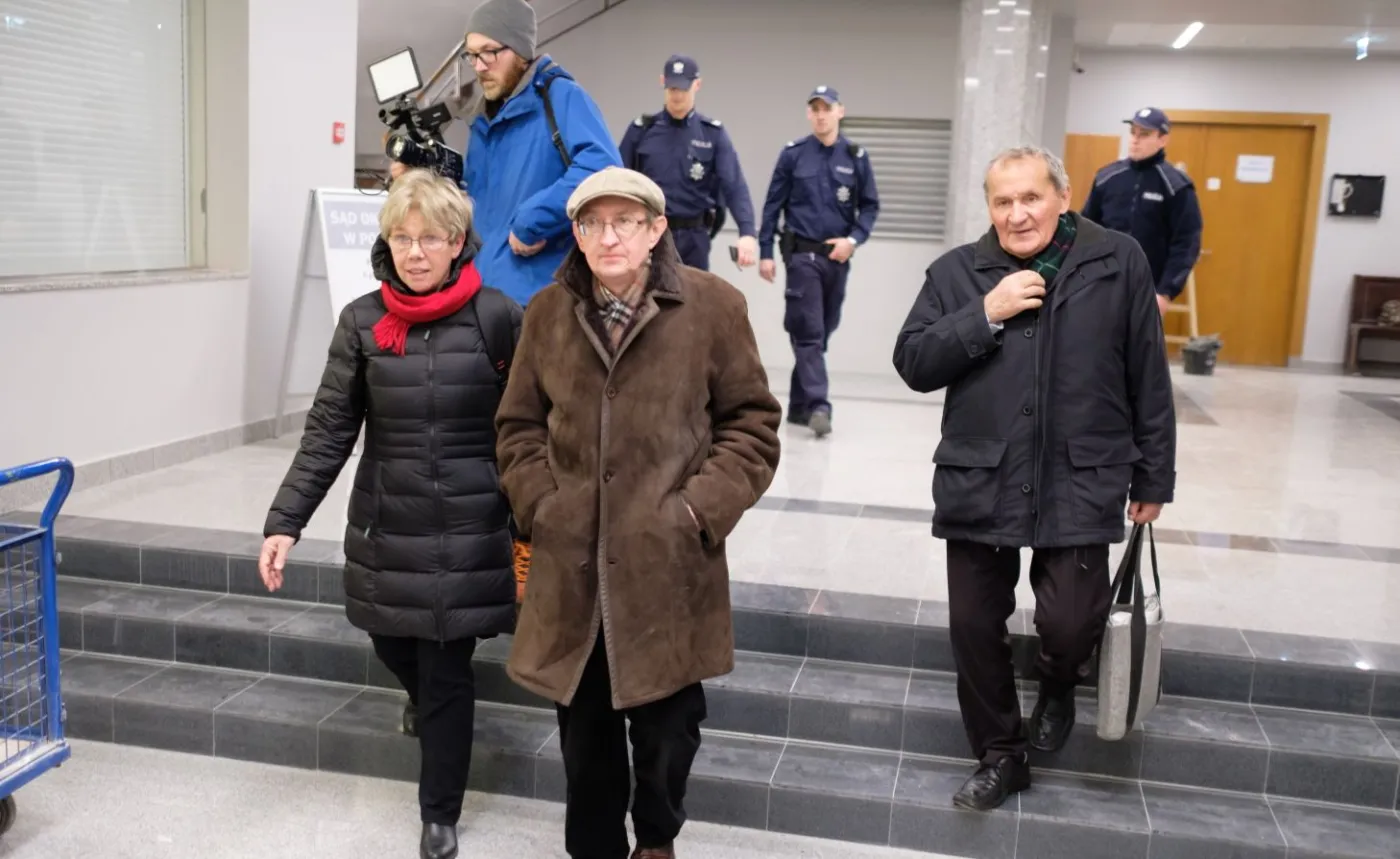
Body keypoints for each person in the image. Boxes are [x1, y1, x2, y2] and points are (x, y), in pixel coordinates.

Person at [494, 167, 781, 859]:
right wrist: (543, 505)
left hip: (666, 565)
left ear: (656, 230)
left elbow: (752, 426)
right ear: (576, 234)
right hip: (575, 565)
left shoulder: (713, 307)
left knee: (669, 732)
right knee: (585, 739)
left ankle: (656, 838)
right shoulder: (547, 313)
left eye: (625, 221)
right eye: (593, 223)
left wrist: (694, 513)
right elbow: (518, 427)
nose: (609, 236)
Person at [892, 146, 1175, 812]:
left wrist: (1154, 475)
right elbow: (914, 361)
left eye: (1030, 198)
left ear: (1063, 196)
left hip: (1082, 472)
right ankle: (1001, 754)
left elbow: (1147, 373)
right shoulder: (958, 271)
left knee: (1073, 623)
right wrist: (985, 312)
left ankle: (1058, 681)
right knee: (973, 626)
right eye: (1002, 201)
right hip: (980, 474)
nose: (1016, 214)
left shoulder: (1118, 261)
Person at [259, 170, 521, 859]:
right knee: (392, 643)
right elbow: (328, 431)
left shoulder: (498, 317)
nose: (414, 252)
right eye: (401, 238)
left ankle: (439, 816)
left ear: (457, 242)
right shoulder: (363, 322)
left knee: (446, 670)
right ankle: (425, 702)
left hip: (470, 523)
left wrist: (532, 517)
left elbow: (527, 427)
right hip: (389, 521)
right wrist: (285, 521)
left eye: (429, 238)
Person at [393, 0, 622, 306]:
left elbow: (603, 170)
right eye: (472, 55)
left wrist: (532, 220)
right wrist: (421, 181)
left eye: (489, 52)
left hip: (538, 301)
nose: (479, 66)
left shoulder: (561, 96)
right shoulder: (484, 118)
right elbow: (481, 204)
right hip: (477, 295)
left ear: (520, 51)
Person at [758, 86, 879, 439]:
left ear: (840, 111)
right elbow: (772, 206)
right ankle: (819, 406)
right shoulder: (793, 155)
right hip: (802, 257)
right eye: (815, 109)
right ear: (809, 114)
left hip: (837, 259)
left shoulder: (856, 157)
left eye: (827, 108)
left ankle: (798, 406)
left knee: (822, 332)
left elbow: (870, 206)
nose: (821, 115)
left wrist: (853, 240)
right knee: (809, 331)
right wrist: (766, 252)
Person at [618, 54, 758, 271]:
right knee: (650, 292)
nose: (677, 95)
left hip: (694, 237)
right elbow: (619, 183)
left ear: (697, 85)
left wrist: (747, 232)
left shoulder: (712, 134)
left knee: (694, 292)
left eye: (683, 89)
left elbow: (734, 184)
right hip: (650, 235)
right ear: (662, 82)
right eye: (672, 88)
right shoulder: (642, 131)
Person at [1081, 107, 1203, 315]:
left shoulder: (1176, 186)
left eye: (1144, 134)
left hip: (1148, 289)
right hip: (1102, 283)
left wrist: (1165, 292)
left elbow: (1186, 242)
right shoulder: (1107, 177)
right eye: (1133, 133)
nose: (1135, 140)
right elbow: (1086, 229)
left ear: (1162, 140)